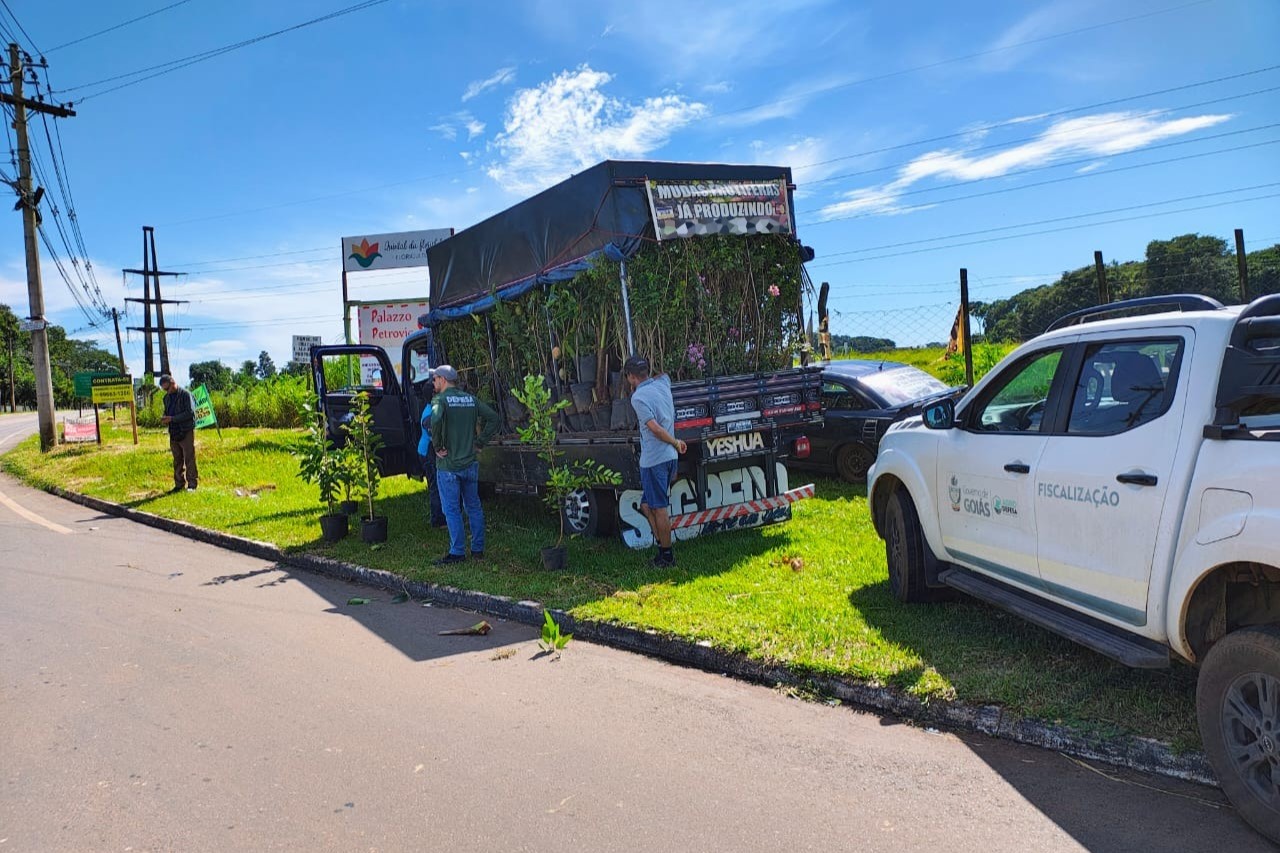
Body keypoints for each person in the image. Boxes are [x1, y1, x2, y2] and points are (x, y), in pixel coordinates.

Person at [429, 365, 500, 564]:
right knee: (474, 506)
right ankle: (478, 549)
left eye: (435, 379)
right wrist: (480, 442)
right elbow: (494, 418)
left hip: (449, 466)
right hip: (470, 463)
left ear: (442, 379)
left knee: (452, 510)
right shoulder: (470, 399)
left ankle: (457, 552)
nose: (433, 383)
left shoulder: (440, 400)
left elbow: (434, 419)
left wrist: (437, 445)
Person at [623, 355, 687, 567]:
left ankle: (667, 556)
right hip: (670, 458)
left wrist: (676, 442)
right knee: (646, 505)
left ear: (631, 377)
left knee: (658, 508)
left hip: (654, 460)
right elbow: (664, 375)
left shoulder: (638, 398)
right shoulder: (663, 384)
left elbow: (655, 429)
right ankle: (661, 545)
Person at [159, 375, 198, 492]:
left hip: (186, 430)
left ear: (173, 383)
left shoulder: (186, 395)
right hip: (173, 432)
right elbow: (167, 412)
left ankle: (192, 484)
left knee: (189, 458)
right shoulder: (166, 398)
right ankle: (179, 484)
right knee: (177, 459)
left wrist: (172, 419)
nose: (167, 392)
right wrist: (165, 418)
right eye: (164, 390)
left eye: (167, 388)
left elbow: (190, 413)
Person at [417, 385, 447, 529]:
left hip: (426, 451)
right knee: (435, 486)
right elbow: (434, 436)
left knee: (436, 485)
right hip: (427, 453)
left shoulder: (431, 409)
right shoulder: (430, 414)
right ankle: (438, 520)